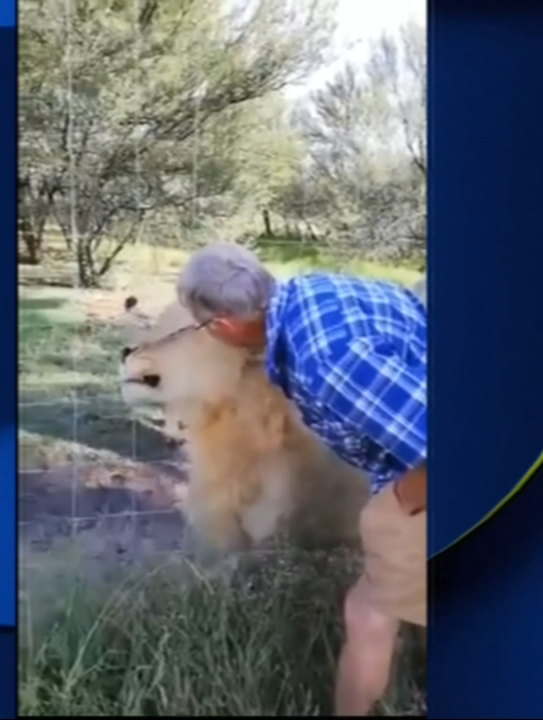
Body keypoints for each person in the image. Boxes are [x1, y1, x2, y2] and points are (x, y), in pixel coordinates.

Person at [175, 242, 427, 716]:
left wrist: (398, 502)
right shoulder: (314, 292)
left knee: (370, 611)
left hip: (432, 474)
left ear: (222, 324)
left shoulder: (327, 362)